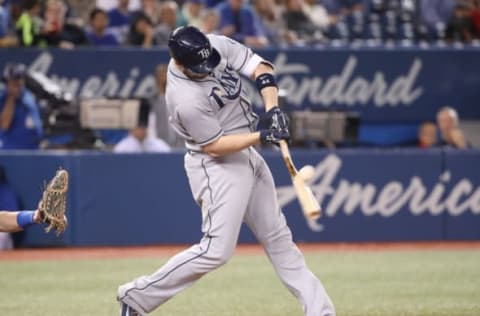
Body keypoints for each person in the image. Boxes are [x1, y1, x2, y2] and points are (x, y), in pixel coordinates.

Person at [117, 26, 335, 316]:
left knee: (278, 237)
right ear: (180, 63)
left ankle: (320, 311)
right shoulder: (184, 99)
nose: (206, 70)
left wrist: (272, 109)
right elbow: (215, 146)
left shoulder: (212, 45)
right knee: (215, 251)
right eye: (198, 67)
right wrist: (262, 136)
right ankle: (135, 297)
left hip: (246, 151)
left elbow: (261, 67)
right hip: (216, 166)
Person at [0, 62, 43, 149]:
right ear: (7, 82)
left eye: (19, 78)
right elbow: (4, 125)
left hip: (34, 150)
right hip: (13, 152)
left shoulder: (28, 95)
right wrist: (11, 98)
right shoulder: (3, 98)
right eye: (14, 79)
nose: (17, 82)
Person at [148, 64, 184, 148]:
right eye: (160, 75)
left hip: (181, 144)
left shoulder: (180, 99)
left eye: (166, 74)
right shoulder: (152, 101)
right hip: (160, 145)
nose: (163, 78)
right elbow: (151, 127)